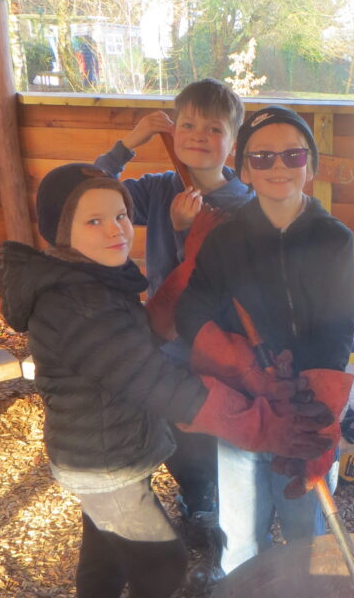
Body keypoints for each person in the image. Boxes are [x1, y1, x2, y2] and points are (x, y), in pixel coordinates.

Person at [0, 163, 331, 598]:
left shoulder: (85, 279)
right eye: (94, 221)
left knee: (103, 551)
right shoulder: (76, 304)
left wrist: (194, 258)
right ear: (61, 232)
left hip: (97, 448)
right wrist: (262, 427)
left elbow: (146, 329)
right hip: (105, 464)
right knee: (165, 565)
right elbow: (156, 381)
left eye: (122, 214)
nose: (116, 230)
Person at [175, 105, 354, 578]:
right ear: (246, 168)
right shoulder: (224, 239)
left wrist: (318, 411)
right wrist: (243, 367)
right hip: (245, 404)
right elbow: (190, 312)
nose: (279, 167)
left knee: (304, 520)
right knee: (240, 528)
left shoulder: (333, 239)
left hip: (305, 406)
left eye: (293, 156)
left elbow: (337, 329)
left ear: (310, 167)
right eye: (263, 157)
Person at [94, 79, 252, 555]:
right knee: (173, 422)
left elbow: (222, 277)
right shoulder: (160, 187)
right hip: (165, 337)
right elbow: (90, 196)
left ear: (233, 141)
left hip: (218, 340)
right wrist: (128, 145)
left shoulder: (243, 204)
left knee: (213, 419)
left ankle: (226, 503)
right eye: (187, 124)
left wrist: (189, 233)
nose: (198, 135)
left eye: (213, 128)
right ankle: (197, 495)